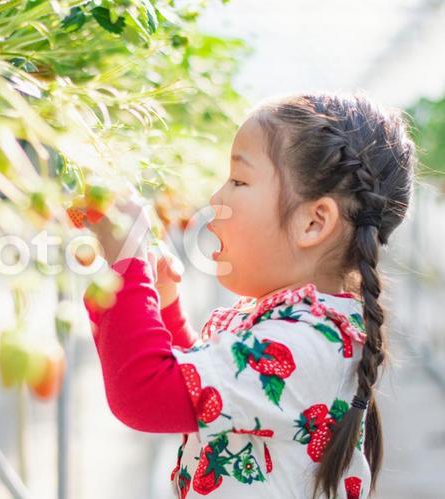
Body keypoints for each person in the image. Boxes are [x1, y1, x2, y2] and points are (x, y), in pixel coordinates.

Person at [82, 92, 417, 498]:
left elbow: (146, 394)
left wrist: (128, 261)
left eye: (239, 181)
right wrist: (166, 308)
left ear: (313, 222)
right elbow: (215, 405)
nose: (216, 198)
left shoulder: (304, 343)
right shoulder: (297, 325)